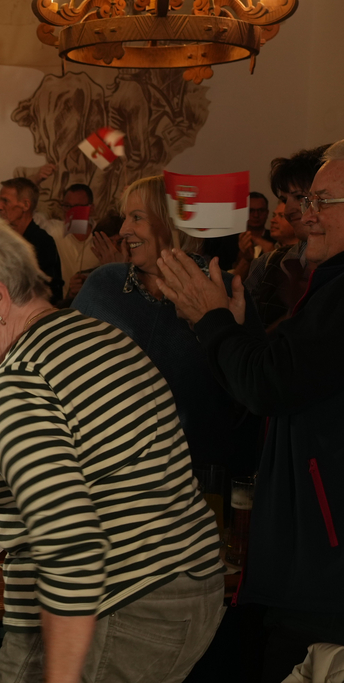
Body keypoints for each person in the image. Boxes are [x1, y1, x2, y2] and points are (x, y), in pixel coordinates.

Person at [0, 214, 225, 683]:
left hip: (122, 603)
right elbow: (84, 474)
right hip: (187, 590)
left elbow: (72, 549)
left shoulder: (18, 381)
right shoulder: (98, 335)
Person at [156, 140, 344, 683]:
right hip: (308, 560)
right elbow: (283, 377)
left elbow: (268, 385)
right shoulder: (329, 285)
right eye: (305, 201)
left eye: (321, 202)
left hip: (325, 571)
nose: (305, 215)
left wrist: (213, 321)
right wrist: (236, 329)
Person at [73, 176, 263, 476]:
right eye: (125, 218)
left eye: (137, 217)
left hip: (196, 475)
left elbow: (252, 398)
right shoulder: (104, 284)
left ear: (171, 223)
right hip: (108, 470)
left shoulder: (223, 290)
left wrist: (228, 332)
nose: (124, 230)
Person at [245, 144, 331, 330]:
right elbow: (246, 332)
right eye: (284, 200)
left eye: (300, 197)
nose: (288, 211)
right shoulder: (268, 263)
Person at [0, 176, 65, 303]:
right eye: (0, 200)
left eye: (5, 201)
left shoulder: (43, 242)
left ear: (26, 205)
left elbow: (49, 292)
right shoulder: (1, 240)